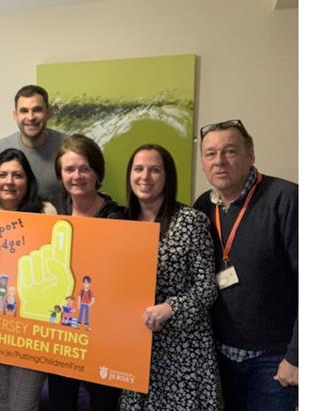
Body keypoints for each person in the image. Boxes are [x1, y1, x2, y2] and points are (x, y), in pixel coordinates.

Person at [193, 119, 298, 410]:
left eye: (230, 151)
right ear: (203, 162)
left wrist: (297, 356)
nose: (220, 161)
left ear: (250, 156)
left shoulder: (286, 199)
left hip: (274, 358)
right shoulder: (203, 206)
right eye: (210, 153)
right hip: (223, 355)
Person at [119, 144, 219, 410]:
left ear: (167, 176)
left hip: (182, 349)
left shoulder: (191, 221)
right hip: (135, 349)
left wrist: (171, 308)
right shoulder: (121, 223)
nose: (145, 177)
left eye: (155, 170)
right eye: (138, 169)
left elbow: (207, 287)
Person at [48, 134, 126, 411]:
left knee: (104, 402)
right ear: (60, 176)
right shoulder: (54, 217)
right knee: (61, 400)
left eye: (84, 168)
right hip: (64, 333)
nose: (77, 176)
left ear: (97, 173)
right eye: (69, 169)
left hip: (104, 332)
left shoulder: (117, 218)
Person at [0, 148, 56, 411]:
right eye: (2, 175)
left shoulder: (45, 213)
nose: (9, 181)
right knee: (4, 402)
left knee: (23, 406)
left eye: (17, 175)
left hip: (32, 330)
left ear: (28, 181)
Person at [0, 84, 66, 203]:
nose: (31, 117)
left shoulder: (67, 146)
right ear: (15, 115)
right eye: (24, 111)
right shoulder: (1, 147)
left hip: (59, 220)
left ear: (48, 113)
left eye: (37, 110)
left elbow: (92, 192)